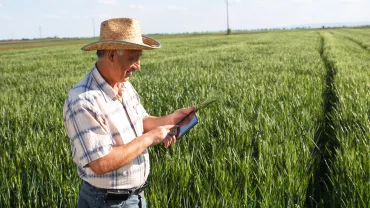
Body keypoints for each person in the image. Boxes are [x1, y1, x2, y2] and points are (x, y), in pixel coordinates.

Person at [63, 18, 195, 208]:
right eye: (133, 58)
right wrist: (150, 138)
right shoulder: (83, 100)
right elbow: (101, 163)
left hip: (135, 198)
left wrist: (172, 119)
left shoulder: (124, 85)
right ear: (111, 55)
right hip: (106, 202)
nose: (138, 66)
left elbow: (141, 122)